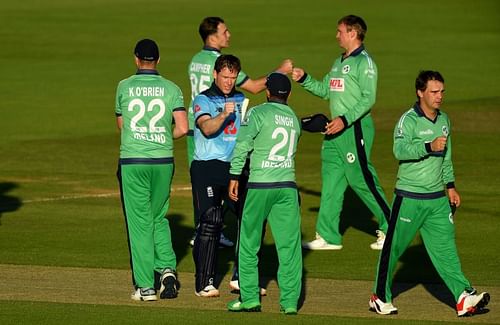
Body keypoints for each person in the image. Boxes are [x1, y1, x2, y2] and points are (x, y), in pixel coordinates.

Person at [369, 70, 490, 316]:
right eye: (434, 92)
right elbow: (399, 150)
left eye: (442, 91)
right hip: (409, 198)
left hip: (437, 200)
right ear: (420, 92)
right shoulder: (408, 120)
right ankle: (379, 297)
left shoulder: (444, 120)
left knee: (446, 251)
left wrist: (451, 186)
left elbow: (446, 157)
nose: (439, 97)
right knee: (392, 249)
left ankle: (463, 297)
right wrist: (428, 146)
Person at [187, 16, 293, 248]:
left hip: (196, 127)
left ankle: (203, 231)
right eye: (225, 31)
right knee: (227, 183)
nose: (229, 35)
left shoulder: (196, 59)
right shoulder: (222, 63)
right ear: (212, 35)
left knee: (203, 187)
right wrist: (280, 72)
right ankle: (214, 233)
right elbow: (255, 87)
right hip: (217, 128)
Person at [291, 15, 389, 250]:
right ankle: (328, 236)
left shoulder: (364, 63)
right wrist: (304, 79)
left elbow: (369, 98)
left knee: (362, 179)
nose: (337, 35)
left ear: (353, 33)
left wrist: (344, 120)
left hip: (353, 129)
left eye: (340, 31)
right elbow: (326, 90)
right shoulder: (339, 62)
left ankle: (391, 227)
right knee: (332, 181)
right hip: (334, 131)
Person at [115, 39, 188, 301]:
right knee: (159, 217)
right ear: (159, 59)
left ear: (136, 59)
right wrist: (160, 136)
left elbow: (122, 125)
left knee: (139, 224)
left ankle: (146, 286)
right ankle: (167, 270)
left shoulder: (124, 86)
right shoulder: (172, 88)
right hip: (162, 161)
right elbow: (182, 128)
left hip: (133, 161)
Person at [227, 73, 302, 314]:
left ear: (267, 92)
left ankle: (249, 299)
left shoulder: (258, 113)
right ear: (288, 94)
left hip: (260, 186)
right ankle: (289, 303)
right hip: (287, 187)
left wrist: (234, 175)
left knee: (248, 244)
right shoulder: (293, 119)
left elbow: (242, 145)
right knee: (289, 247)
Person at [191, 54, 247, 297]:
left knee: (249, 218)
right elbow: (206, 128)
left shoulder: (241, 98)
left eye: (233, 78)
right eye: (225, 77)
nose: (228, 82)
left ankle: (241, 277)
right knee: (211, 220)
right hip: (207, 167)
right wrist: (224, 114)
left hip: (235, 168)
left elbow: (245, 134)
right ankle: (204, 282)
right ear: (215, 74)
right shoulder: (203, 99)